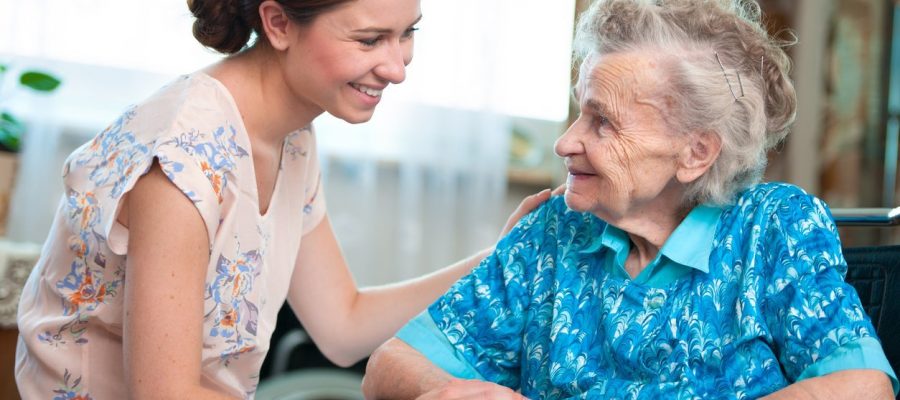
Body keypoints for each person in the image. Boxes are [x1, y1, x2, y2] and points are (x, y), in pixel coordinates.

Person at [361, 0, 900, 399]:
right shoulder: (555, 228)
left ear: (695, 153)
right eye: (580, 112)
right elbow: (388, 367)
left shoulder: (774, 227)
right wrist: (460, 393)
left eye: (602, 122)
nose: (565, 142)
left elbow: (860, 383)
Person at [14, 0, 551, 398]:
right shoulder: (183, 158)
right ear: (278, 24)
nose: (397, 66)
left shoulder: (290, 135)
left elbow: (343, 325)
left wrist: (500, 260)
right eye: (369, 40)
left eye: (407, 33)